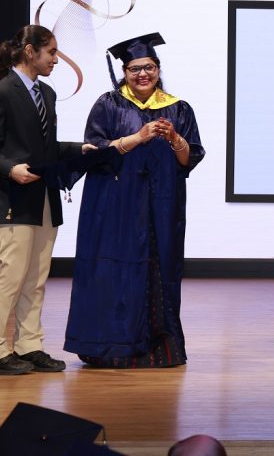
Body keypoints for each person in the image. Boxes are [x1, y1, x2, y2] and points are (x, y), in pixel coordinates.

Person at [64, 33, 205, 368]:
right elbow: (95, 150)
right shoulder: (109, 105)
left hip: (162, 206)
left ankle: (161, 346)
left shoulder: (178, 108)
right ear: (124, 72)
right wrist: (138, 137)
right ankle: (112, 346)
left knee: (161, 268)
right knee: (115, 269)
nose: (143, 74)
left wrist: (175, 138)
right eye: (135, 69)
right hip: (117, 204)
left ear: (158, 69)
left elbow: (189, 159)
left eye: (149, 67)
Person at [0, 25, 90, 375]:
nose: (56, 59)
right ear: (29, 51)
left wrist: (79, 149)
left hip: (45, 197)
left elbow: (46, 148)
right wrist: (10, 169)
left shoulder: (47, 93)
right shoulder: (4, 89)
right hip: (13, 199)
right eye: (51, 52)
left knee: (36, 278)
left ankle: (29, 345)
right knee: (10, 278)